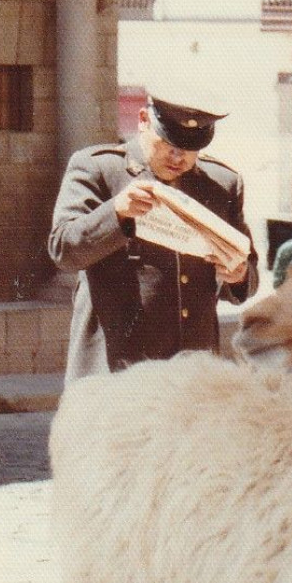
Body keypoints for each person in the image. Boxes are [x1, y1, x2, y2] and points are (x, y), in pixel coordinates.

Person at [49, 90, 257, 381]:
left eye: (190, 148)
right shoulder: (98, 168)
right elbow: (62, 250)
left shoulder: (222, 184)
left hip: (193, 376)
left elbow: (249, 271)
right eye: (169, 142)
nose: (178, 157)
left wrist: (239, 275)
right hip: (118, 373)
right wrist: (116, 213)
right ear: (144, 120)